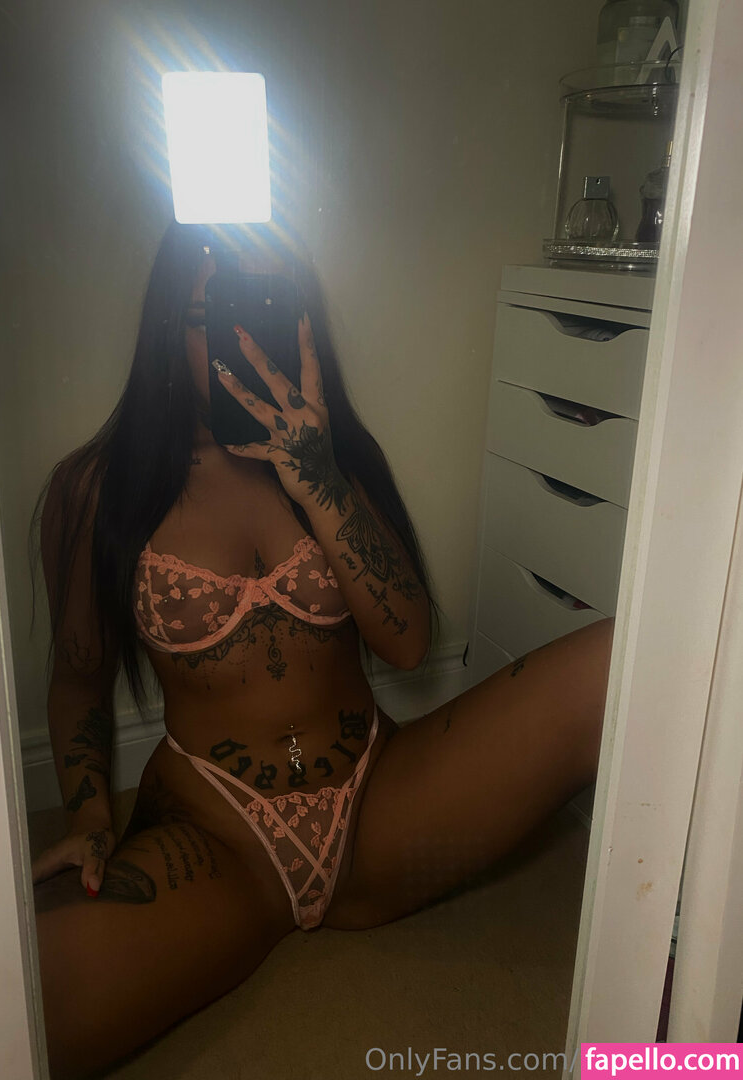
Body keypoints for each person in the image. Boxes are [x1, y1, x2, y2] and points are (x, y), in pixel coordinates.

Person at [30, 222, 614, 1080]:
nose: (239, 343)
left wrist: (320, 479)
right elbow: (79, 681)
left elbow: (407, 644)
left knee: (621, 661)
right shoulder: (95, 488)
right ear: (165, 330)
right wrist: (88, 816)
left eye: (266, 310)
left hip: (379, 801)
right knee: (13, 1002)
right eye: (209, 320)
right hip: (219, 836)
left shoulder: (338, 456)